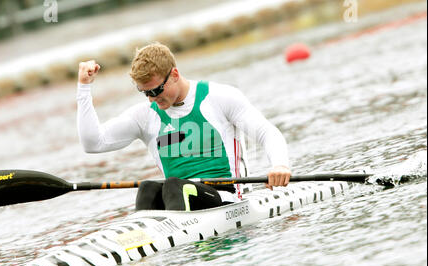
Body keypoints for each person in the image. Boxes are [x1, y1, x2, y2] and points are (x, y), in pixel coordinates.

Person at [76, 42, 291, 211]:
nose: (152, 99)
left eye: (156, 90)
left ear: (175, 75)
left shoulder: (219, 97)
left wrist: (279, 165)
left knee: (173, 186)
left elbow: (266, 132)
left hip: (227, 198)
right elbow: (93, 143)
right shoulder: (145, 115)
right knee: (149, 188)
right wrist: (84, 88)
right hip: (178, 199)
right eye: (145, 93)